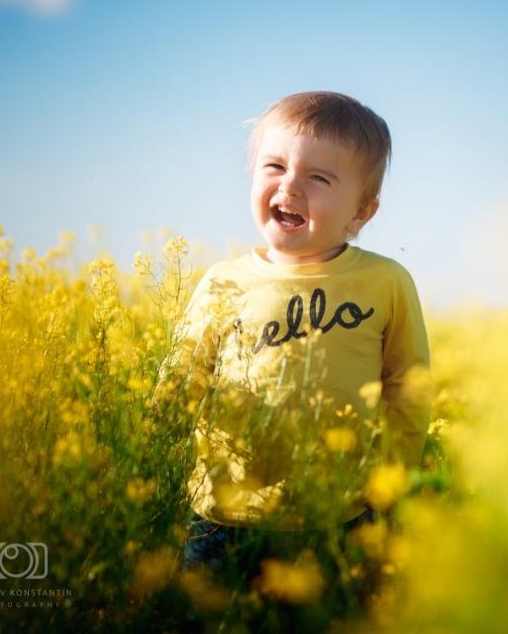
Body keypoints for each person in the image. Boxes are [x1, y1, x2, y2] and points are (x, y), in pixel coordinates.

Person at [154, 91, 433, 620]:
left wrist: (390, 484)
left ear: (362, 211)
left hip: (338, 513)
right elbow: (182, 380)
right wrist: (149, 459)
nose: (289, 187)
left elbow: (408, 387)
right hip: (222, 513)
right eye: (275, 167)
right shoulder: (224, 281)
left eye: (319, 179)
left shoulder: (386, 281)